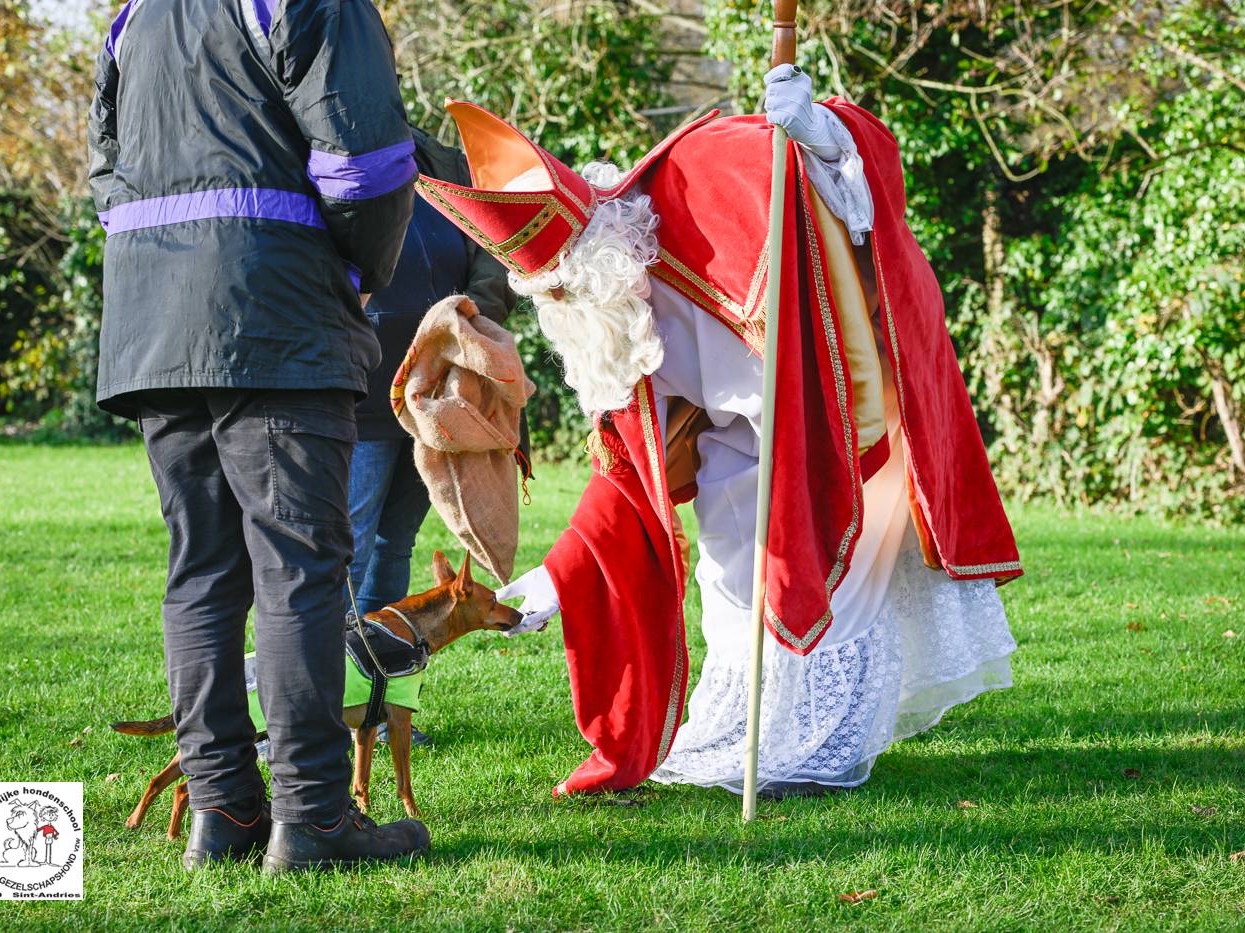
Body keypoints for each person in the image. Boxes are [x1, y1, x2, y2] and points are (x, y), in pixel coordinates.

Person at [430, 67, 1022, 796]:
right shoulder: (613, 324)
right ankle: (753, 734)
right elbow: (626, 474)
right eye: (547, 294)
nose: (561, 305)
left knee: (824, 593)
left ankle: (814, 748)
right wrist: (556, 578)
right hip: (738, 451)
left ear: (598, 253)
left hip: (842, 423)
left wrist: (820, 133)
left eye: (563, 286)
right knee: (736, 590)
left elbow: (867, 185)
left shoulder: (703, 170)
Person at [89, 0, 429, 871]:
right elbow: (371, 163)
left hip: (153, 321)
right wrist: (358, 274)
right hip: (272, 316)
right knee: (301, 569)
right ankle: (313, 818)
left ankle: (226, 812)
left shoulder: (137, 15)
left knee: (201, 570)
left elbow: (105, 171)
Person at [346, 124, 517, 746]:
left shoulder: (447, 165)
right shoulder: (334, 156)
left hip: (439, 397)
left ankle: (379, 704)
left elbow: (491, 260)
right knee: (351, 551)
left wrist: (464, 322)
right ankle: (330, 707)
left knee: (393, 547)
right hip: (359, 391)